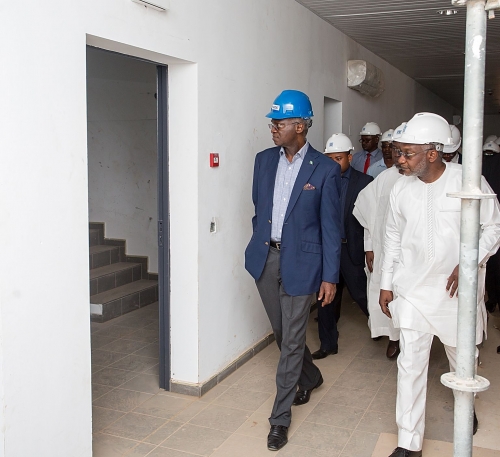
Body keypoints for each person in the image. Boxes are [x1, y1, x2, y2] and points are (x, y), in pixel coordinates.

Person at [379, 113, 500, 457]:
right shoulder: (400, 188)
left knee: (462, 361)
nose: (399, 159)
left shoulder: (468, 181)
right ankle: (408, 441)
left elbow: (493, 226)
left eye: (407, 153)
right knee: (410, 365)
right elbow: (392, 238)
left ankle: (466, 409)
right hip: (414, 291)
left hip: (456, 295)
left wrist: (470, 262)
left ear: (433, 153)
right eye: (399, 152)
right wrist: (386, 284)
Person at [245, 90, 342, 451]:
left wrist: (330, 276)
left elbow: (331, 228)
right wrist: (263, 243)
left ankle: (279, 419)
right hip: (266, 259)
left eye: (280, 123)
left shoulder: (326, 169)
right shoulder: (263, 161)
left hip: (304, 264)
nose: (273, 128)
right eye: (272, 122)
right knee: (283, 332)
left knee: (289, 344)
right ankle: (312, 376)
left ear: (300, 127)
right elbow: (260, 208)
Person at [312, 133, 372, 359]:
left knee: (362, 295)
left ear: (350, 156)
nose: (333, 164)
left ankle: (388, 332)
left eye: (338, 158)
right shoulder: (319, 180)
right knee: (325, 299)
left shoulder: (365, 183)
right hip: (328, 250)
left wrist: (370, 248)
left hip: (351, 249)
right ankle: (328, 344)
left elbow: (372, 220)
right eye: (329, 159)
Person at [353, 138, 403, 359]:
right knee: (388, 290)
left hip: (414, 252)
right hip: (386, 248)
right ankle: (394, 337)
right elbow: (368, 214)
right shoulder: (384, 178)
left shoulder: (424, 179)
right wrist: (369, 247)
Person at [481, 140, 500, 313]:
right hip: (490, 224)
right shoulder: (487, 168)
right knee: (492, 268)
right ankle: (493, 298)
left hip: (493, 223)